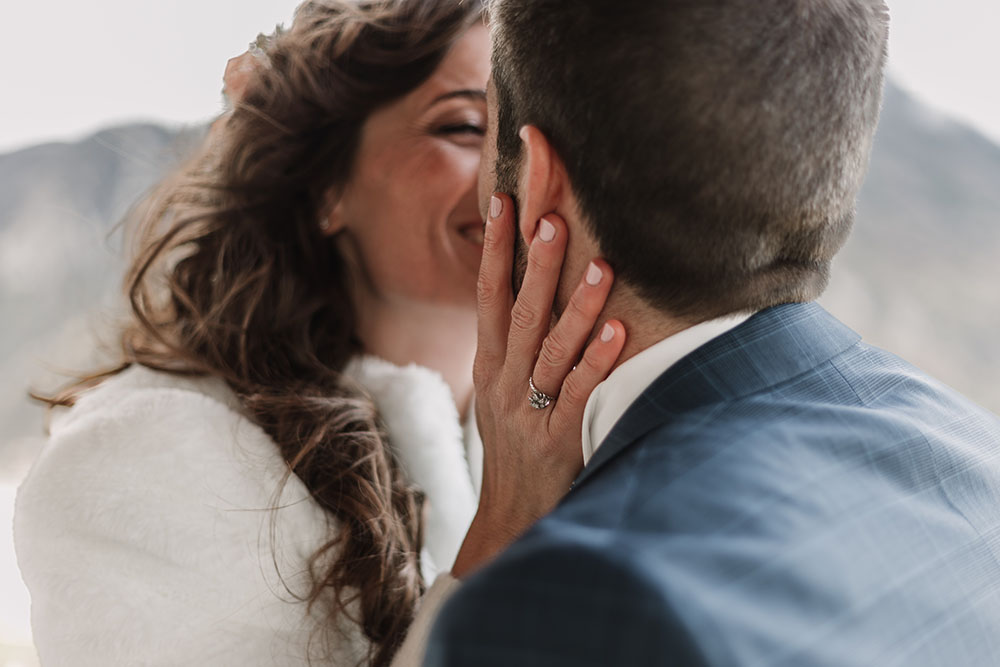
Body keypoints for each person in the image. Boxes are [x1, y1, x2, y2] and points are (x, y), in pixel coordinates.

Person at [13, 1, 622, 665]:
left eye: (538, 137)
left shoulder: (581, 430)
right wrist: (510, 521)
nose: (522, 172)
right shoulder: (141, 460)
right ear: (326, 186)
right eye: (467, 126)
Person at [419, 0, 1000, 664]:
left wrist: (503, 521)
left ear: (540, 180)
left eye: (487, 120)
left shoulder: (571, 597)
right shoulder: (982, 456)